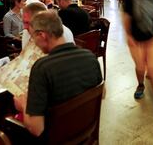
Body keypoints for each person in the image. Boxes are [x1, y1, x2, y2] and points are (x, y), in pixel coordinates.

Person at [13, 11, 102, 141]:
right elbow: (101, 93)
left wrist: (23, 104)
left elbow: (36, 128)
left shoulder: (42, 68)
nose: (33, 42)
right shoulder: (90, 56)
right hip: (85, 131)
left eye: (32, 37)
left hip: (57, 138)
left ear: (42, 35)